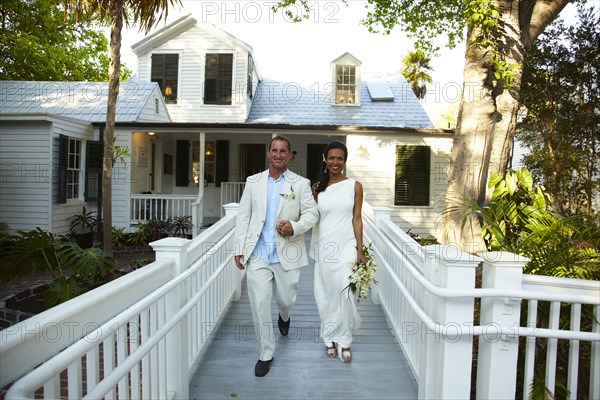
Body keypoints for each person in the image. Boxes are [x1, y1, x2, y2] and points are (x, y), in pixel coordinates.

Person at [234, 135, 318, 377]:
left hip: (287, 253)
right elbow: (243, 216)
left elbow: (312, 214)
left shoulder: (300, 183)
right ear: (268, 153)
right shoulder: (253, 181)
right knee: (259, 305)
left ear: (290, 155)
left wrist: (295, 226)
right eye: (275, 150)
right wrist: (240, 248)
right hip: (257, 254)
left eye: (283, 151)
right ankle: (265, 354)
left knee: (286, 298)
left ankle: (285, 315)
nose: (279, 155)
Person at [311, 141, 367, 363]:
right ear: (325, 159)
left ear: (345, 161)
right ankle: (328, 337)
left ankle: (344, 340)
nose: (336, 162)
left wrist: (360, 250)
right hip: (326, 247)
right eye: (331, 157)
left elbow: (357, 218)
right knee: (326, 294)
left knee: (345, 293)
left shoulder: (355, 186)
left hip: (346, 246)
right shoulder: (317, 187)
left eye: (340, 158)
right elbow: (313, 218)